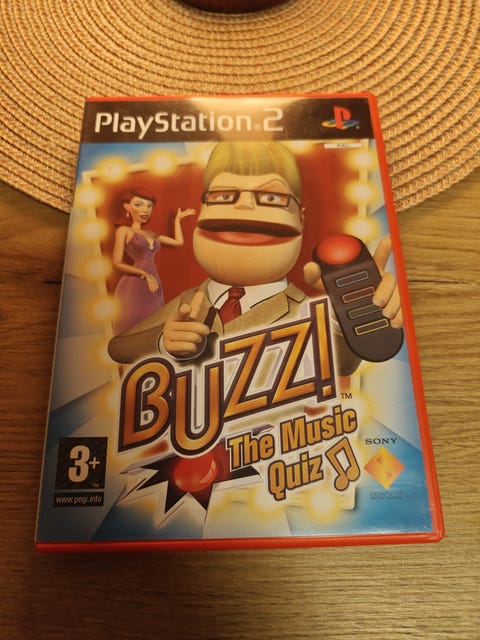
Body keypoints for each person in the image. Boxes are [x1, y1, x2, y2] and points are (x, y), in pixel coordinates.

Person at [108, 142, 402, 373]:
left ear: (300, 218)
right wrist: (164, 341)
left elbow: (342, 364)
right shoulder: (191, 300)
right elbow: (118, 347)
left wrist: (355, 315)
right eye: (224, 196)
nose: (245, 206)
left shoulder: (304, 310)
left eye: (271, 197)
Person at [111, 188, 195, 333]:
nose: (146, 210)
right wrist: (144, 274)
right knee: (132, 319)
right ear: (127, 207)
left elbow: (178, 242)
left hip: (154, 281)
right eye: (139, 205)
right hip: (134, 282)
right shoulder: (124, 231)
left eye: (149, 206)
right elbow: (116, 262)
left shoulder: (150, 233)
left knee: (154, 317)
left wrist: (178, 220)